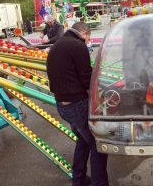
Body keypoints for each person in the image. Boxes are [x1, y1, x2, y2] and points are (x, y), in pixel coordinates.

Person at [47, 22, 109, 186]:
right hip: (76, 105)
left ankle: (79, 179)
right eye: (88, 38)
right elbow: (87, 80)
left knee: (83, 140)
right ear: (84, 33)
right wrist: (99, 103)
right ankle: (99, 183)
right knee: (98, 144)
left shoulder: (58, 44)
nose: (88, 42)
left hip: (62, 104)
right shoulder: (78, 46)